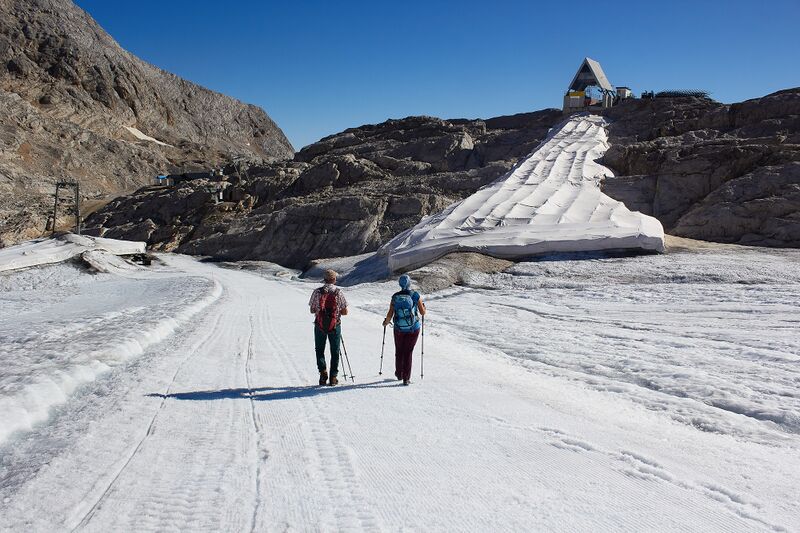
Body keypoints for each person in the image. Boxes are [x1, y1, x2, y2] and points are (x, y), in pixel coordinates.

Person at [382, 274, 426, 385]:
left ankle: (399, 374)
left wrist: (386, 322)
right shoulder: (415, 295)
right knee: (408, 351)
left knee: (399, 350)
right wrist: (424, 308)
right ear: (409, 283)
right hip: (413, 328)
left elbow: (390, 313)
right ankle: (406, 378)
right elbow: (422, 312)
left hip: (398, 328)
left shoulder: (395, 297)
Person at [309, 269, 349, 386]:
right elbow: (345, 312)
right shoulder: (338, 292)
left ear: (324, 279)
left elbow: (312, 310)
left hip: (319, 325)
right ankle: (333, 377)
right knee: (335, 351)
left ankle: (323, 374)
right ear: (334, 279)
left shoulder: (317, 292)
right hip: (335, 325)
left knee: (319, 349)